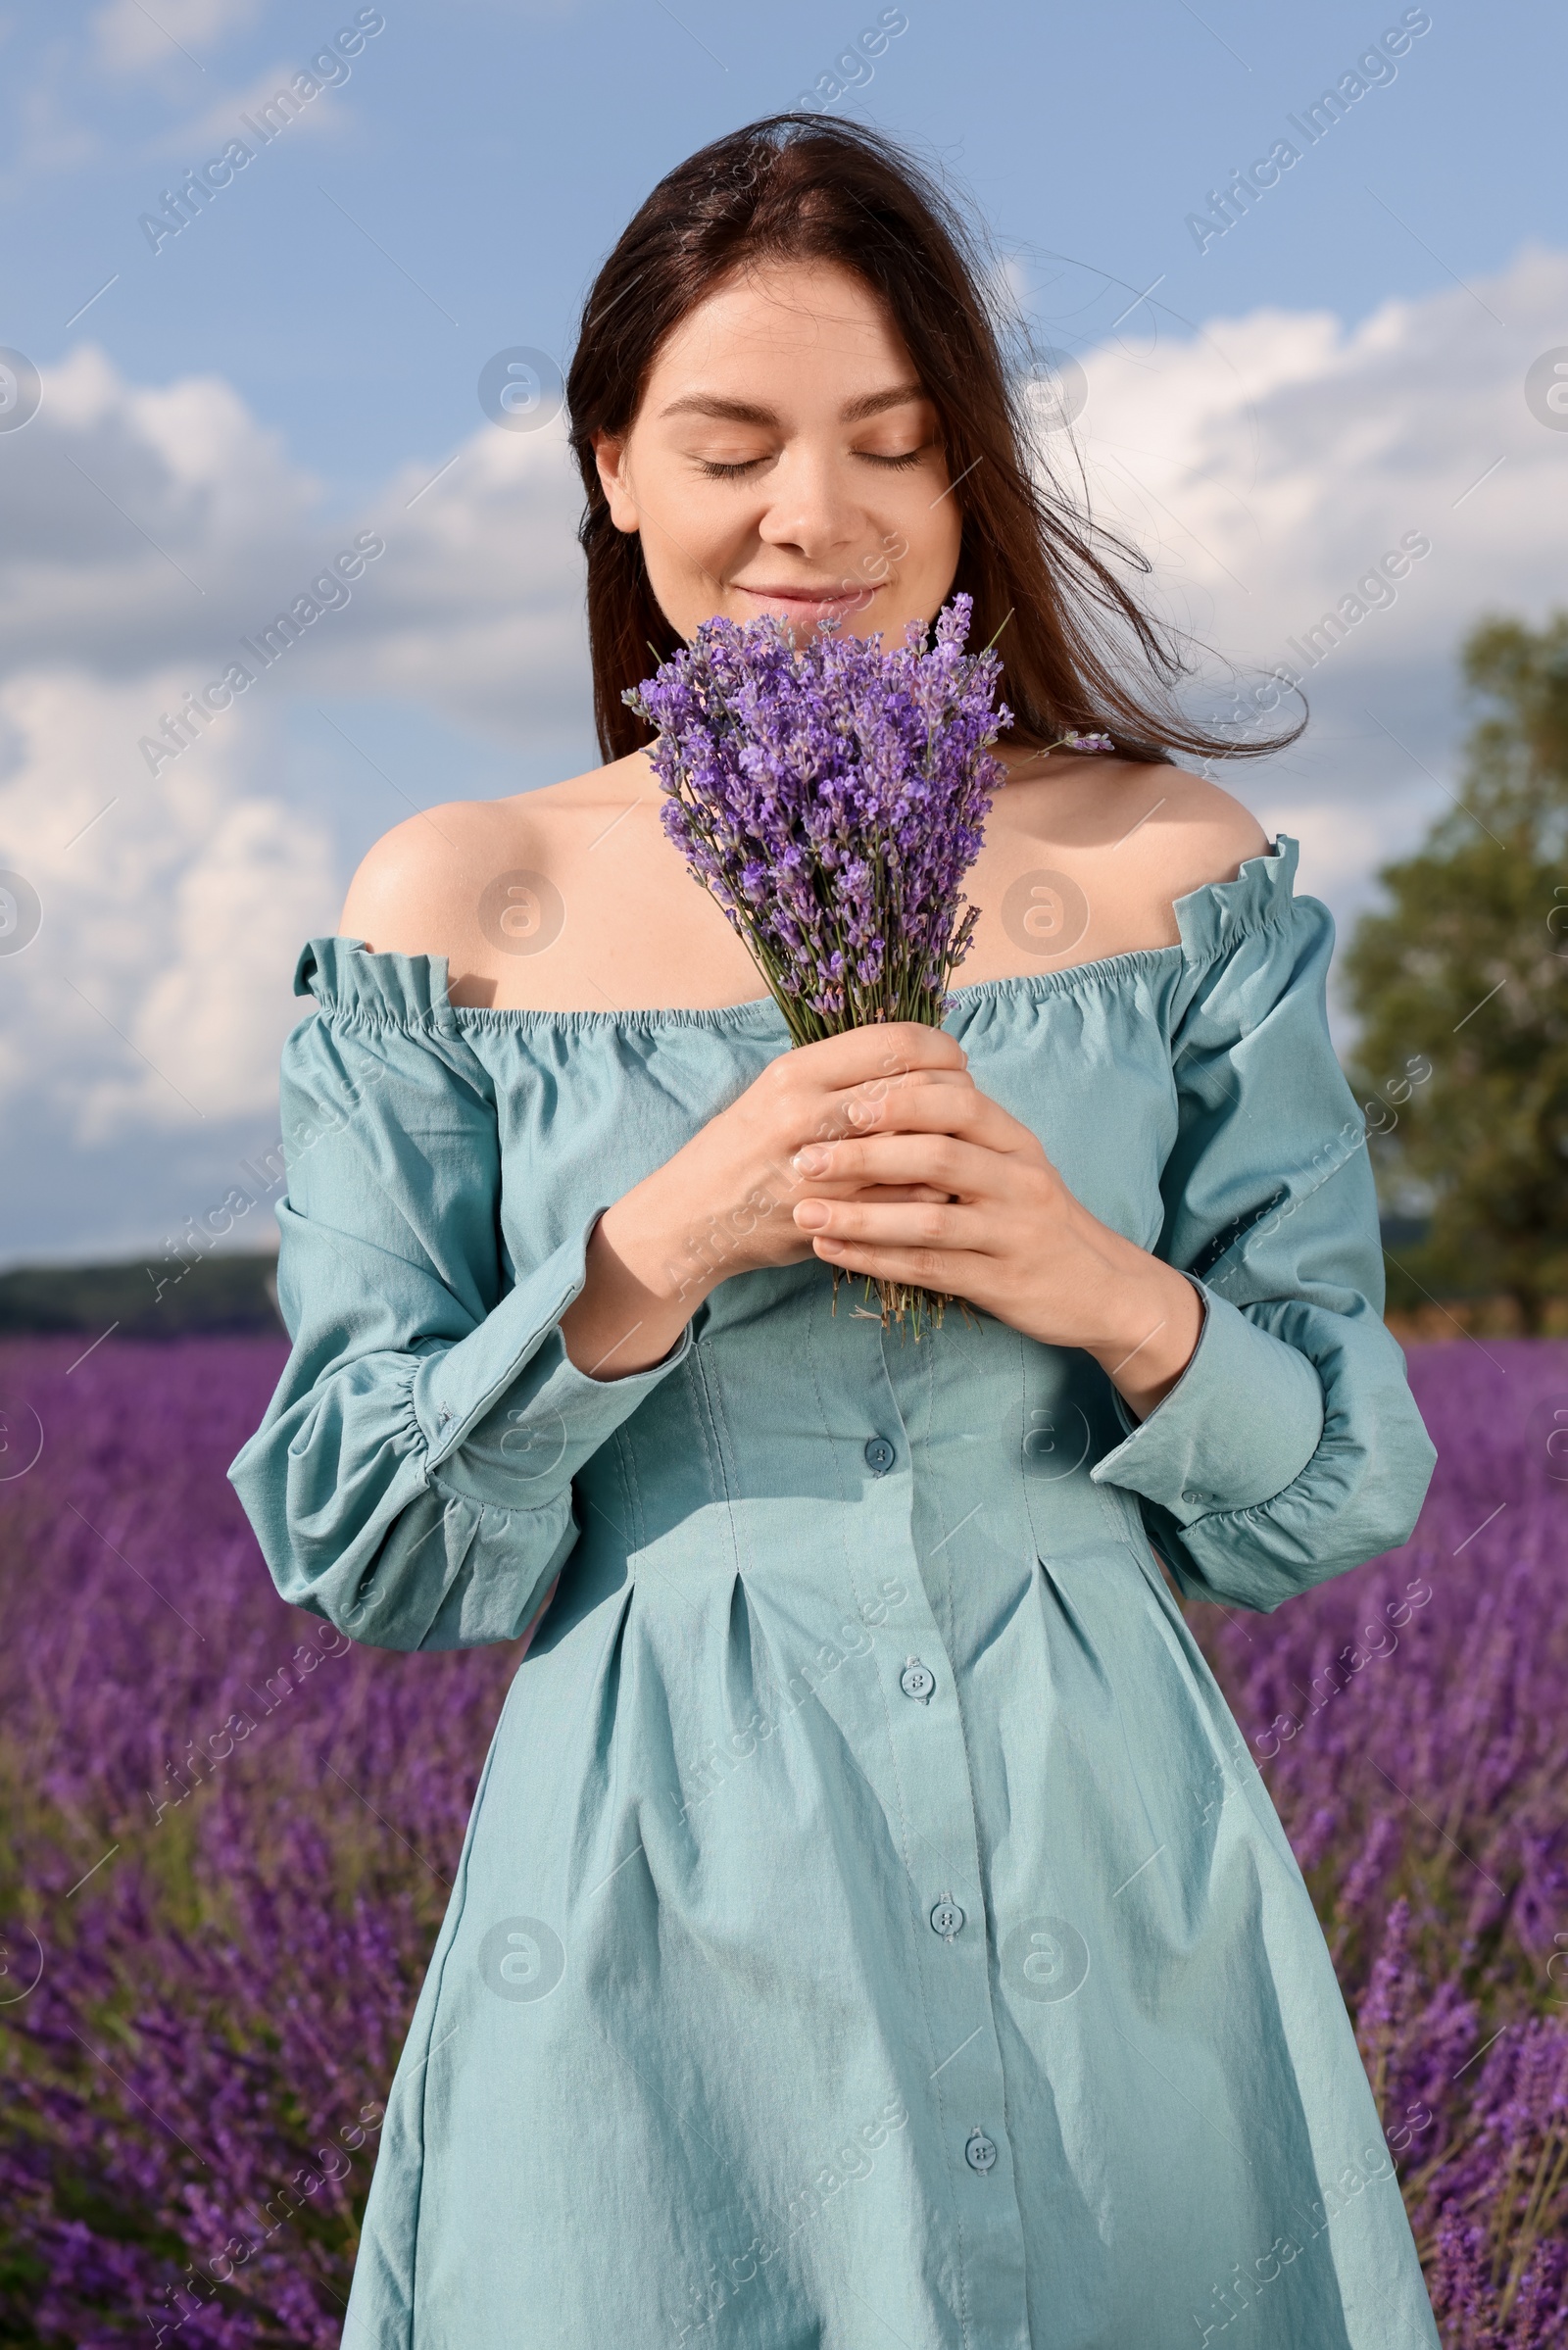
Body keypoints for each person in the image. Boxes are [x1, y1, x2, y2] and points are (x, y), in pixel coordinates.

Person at [228, 113, 1441, 2350]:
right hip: (651, 1895)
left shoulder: (1165, 865)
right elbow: (361, 1539)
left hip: (1114, 1871)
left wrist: (1102, 1290)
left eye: (893, 440)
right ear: (605, 463)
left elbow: (1344, 1473)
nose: (815, 517)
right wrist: (641, 1258)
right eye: (727, 442)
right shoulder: (454, 898)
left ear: (968, 463)